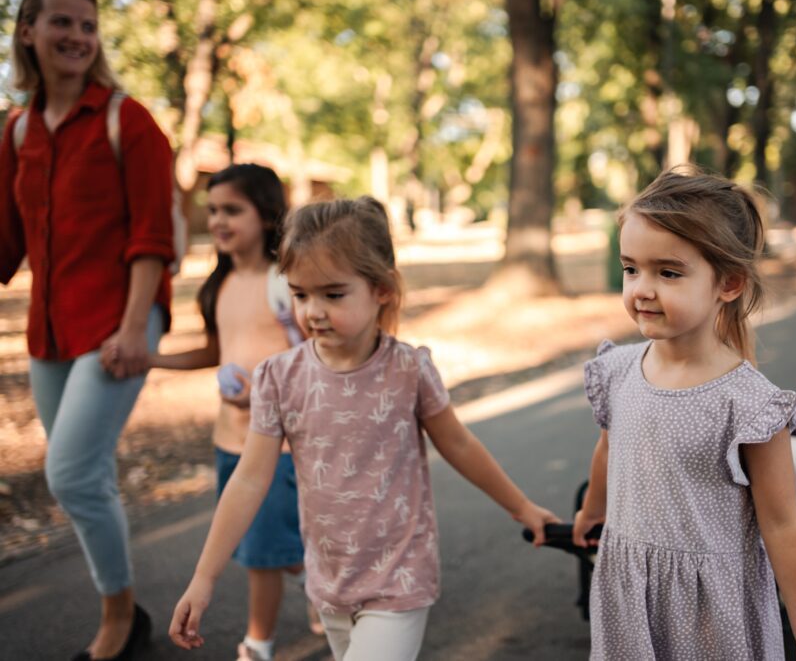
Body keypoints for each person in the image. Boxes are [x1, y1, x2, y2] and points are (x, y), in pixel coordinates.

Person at [167, 197, 559, 660]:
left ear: (382, 290)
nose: (313, 311)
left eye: (333, 295)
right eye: (300, 294)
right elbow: (250, 478)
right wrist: (204, 577)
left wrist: (522, 507)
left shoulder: (408, 370)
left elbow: (457, 442)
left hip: (400, 577)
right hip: (330, 580)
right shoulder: (279, 378)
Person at [571, 167, 796, 660]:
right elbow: (609, 448)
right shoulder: (619, 371)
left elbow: (783, 526)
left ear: (728, 283)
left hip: (714, 611)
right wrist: (592, 510)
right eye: (631, 269)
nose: (642, 288)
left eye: (668, 272)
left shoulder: (749, 405)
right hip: (629, 594)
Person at [0, 0, 175, 659]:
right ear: (28, 32)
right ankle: (126, 607)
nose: (77, 36)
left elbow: (153, 239)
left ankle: (118, 618)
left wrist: (135, 327)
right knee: (88, 473)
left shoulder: (127, 120)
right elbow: (7, 247)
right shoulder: (16, 131)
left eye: (88, 25)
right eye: (62, 23)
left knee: (70, 473)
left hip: (120, 321)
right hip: (49, 332)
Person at [145, 164, 314, 661]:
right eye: (213, 209)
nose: (218, 220)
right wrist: (151, 359)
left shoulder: (285, 283)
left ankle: (257, 646)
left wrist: (260, 399)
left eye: (232, 210)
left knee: (261, 554)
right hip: (228, 442)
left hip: (277, 447)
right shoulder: (218, 285)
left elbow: (313, 361)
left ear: (265, 214)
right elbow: (214, 353)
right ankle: (312, 580)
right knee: (261, 543)